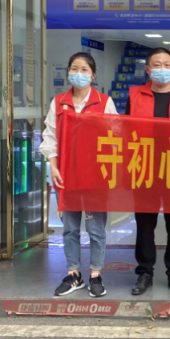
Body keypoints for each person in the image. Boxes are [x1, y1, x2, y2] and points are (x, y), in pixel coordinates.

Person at [40, 53, 118, 298]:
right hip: (66, 175)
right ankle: (74, 274)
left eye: (84, 69)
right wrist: (53, 167)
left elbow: (116, 135)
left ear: (93, 75)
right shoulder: (58, 102)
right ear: (68, 72)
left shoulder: (104, 102)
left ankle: (95, 274)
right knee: (70, 228)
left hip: (95, 177)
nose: (79, 73)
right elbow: (50, 137)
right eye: (74, 68)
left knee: (96, 229)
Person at [128, 47, 170, 296]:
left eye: (167, 65)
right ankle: (144, 272)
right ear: (148, 69)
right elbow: (126, 131)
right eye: (157, 65)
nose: (162, 69)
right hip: (145, 167)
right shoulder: (135, 95)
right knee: (145, 224)